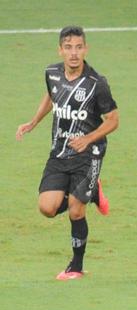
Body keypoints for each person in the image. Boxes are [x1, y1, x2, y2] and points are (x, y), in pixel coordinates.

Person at [15, 26, 119, 281]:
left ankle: (76, 267)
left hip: (89, 153)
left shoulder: (96, 83)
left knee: (75, 210)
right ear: (60, 50)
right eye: (69, 47)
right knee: (47, 208)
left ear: (86, 49)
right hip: (59, 153)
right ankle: (91, 192)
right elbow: (51, 97)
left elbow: (113, 120)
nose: (74, 53)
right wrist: (33, 122)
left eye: (79, 47)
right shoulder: (52, 73)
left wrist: (88, 139)